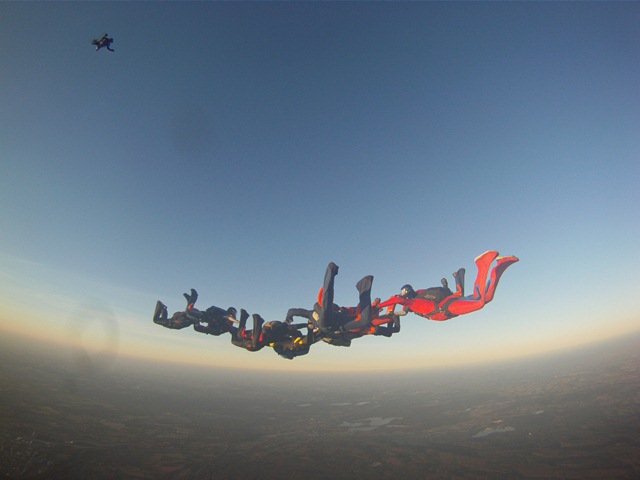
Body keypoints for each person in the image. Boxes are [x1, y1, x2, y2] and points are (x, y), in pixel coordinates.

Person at [379, 250, 518, 321]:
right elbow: (402, 310)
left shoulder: (410, 302)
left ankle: (482, 264)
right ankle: (499, 267)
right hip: (447, 304)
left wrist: (378, 306)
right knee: (486, 298)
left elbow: (397, 302)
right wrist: (391, 312)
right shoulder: (416, 296)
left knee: (479, 301)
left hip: (445, 308)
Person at [285, 263, 401, 347]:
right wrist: (290, 318)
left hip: (334, 321)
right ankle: (363, 287)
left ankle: (331, 272)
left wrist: (288, 319)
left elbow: (294, 311)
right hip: (339, 325)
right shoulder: (313, 317)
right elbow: (294, 312)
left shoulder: (313, 315)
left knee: (327, 306)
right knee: (364, 321)